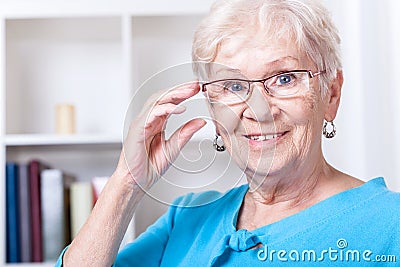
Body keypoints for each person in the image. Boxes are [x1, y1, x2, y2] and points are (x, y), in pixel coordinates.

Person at [57, 0, 400, 266]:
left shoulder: (391, 225)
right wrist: (126, 183)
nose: (257, 110)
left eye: (284, 78)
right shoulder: (186, 218)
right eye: (233, 85)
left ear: (331, 95)